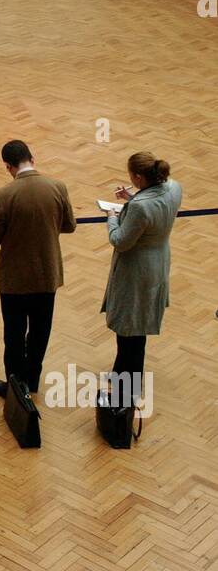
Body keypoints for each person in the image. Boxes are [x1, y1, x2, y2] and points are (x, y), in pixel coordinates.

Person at [0, 140, 76, 399]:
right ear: (32, 158)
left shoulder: (3, 195)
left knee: (13, 336)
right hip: (46, 275)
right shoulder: (58, 187)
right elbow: (69, 225)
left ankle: (15, 386)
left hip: (14, 279)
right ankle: (32, 380)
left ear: (8, 167)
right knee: (39, 332)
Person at [100, 152, 182, 410]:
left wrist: (113, 216)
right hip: (158, 261)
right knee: (137, 325)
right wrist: (132, 198)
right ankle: (120, 372)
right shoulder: (173, 187)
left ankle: (128, 393)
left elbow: (121, 241)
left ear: (137, 176)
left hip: (137, 270)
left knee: (130, 331)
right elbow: (154, 212)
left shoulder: (139, 206)